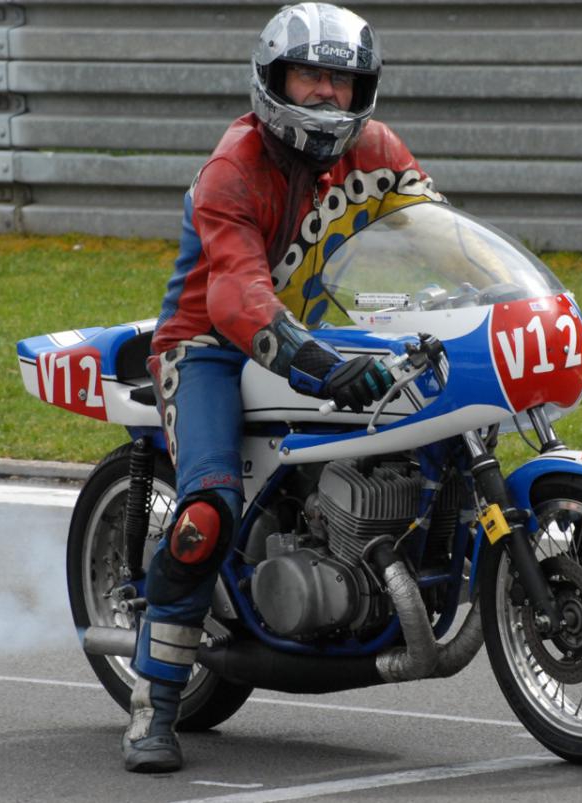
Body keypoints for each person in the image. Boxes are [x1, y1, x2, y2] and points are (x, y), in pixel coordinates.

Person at [123, 2, 442, 773]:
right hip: (207, 346)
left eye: (342, 79)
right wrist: (324, 366)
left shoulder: (377, 150)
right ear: (273, 79)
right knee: (207, 512)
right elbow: (237, 299)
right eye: (310, 74)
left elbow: (432, 237)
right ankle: (153, 703)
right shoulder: (232, 168)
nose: (328, 92)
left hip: (324, 331)